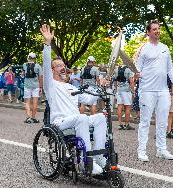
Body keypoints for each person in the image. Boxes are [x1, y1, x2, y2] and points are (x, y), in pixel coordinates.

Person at [40, 24, 106, 174]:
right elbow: (45, 65)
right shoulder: (50, 85)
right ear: (52, 70)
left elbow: (90, 99)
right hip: (60, 122)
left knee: (100, 118)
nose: (63, 68)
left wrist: (102, 88)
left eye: (63, 65)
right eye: (58, 66)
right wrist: (47, 44)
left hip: (76, 119)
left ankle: (99, 157)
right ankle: (85, 161)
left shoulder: (72, 87)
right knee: (82, 118)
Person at [135, 20, 173, 162]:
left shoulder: (165, 48)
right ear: (148, 32)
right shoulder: (143, 48)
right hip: (147, 90)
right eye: (154, 29)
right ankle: (141, 151)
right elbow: (137, 69)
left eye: (158, 29)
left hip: (163, 91)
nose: (157, 31)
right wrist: (136, 74)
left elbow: (170, 69)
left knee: (163, 121)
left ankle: (161, 149)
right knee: (145, 121)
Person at [23, 52, 43, 124]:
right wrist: (41, 87)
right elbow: (40, 77)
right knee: (35, 102)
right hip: (36, 86)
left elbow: (24, 74)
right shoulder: (38, 66)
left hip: (27, 86)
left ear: (28, 57)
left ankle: (28, 118)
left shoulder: (24, 65)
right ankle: (33, 117)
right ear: (35, 58)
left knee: (27, 102)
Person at [114, 65, 135, 130]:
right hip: (126, 90)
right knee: (127, 107)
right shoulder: (129, 70)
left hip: (119, 90)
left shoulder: (117, 69)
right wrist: (133, 91)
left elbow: (115, 80)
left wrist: (116, 88)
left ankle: (120, 124)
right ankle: (126, 124)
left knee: (119, 106)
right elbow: (131, 82)